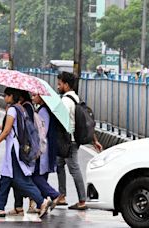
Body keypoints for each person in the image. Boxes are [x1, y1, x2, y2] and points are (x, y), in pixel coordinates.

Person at [0, 87, 51, 218]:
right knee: (5, 179)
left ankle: (42, 201)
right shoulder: (21, 108)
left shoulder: (13, 110)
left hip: (14, 150)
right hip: (15, 148)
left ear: (11, 96)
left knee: (20, 181)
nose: (4, 98)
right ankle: (0, 208)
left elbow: (6, 131)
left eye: (6, 95)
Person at [56, 72, 102, 210]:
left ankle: (82, 200)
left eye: (59, 84)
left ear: (66, 84)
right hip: (71, 140)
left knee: (74, 169)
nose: (58, 86)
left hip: (68, 141)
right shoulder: (76, 98)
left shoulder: (65, 101)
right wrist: (94, 140)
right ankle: (62, 195)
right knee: (59, 164)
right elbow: (85, 121)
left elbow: (61, 120)